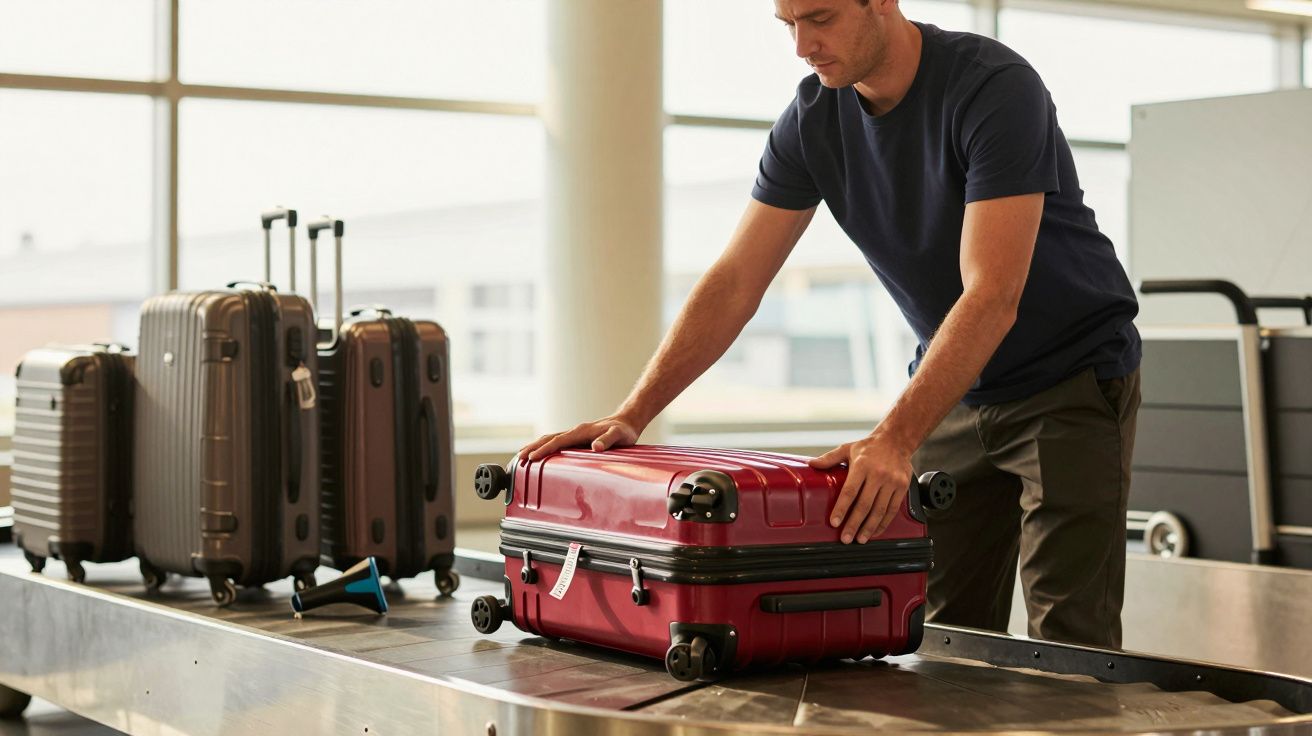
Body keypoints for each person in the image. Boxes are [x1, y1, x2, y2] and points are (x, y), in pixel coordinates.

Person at [521, 0, 1140, 649]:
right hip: (956, 389)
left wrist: (894, 439)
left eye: (819, 18)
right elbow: (736, 281)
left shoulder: (993, 87)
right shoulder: (813, 118)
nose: (802, 45)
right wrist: (633, 411)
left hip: (1068, 378)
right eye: (788, 25)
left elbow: (991, 294)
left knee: (1070, 644)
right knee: (946, 641)